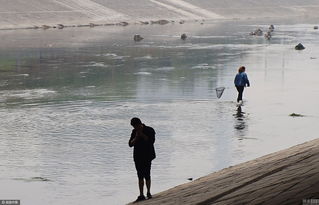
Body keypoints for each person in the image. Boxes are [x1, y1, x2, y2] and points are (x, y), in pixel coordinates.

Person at [129, 117, 156, 202]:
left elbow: (151, 141)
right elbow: (130, 144)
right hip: (138, 157)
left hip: (147, 156)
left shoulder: (149, 130)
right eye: (134, 127)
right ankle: (141, 194)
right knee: (140, 175)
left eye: (136, 126)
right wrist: (136, 137)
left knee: (147, 174)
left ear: (140, 124)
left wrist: (142, 135)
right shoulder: (134, 132)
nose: (135, 128)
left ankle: (148, 192)